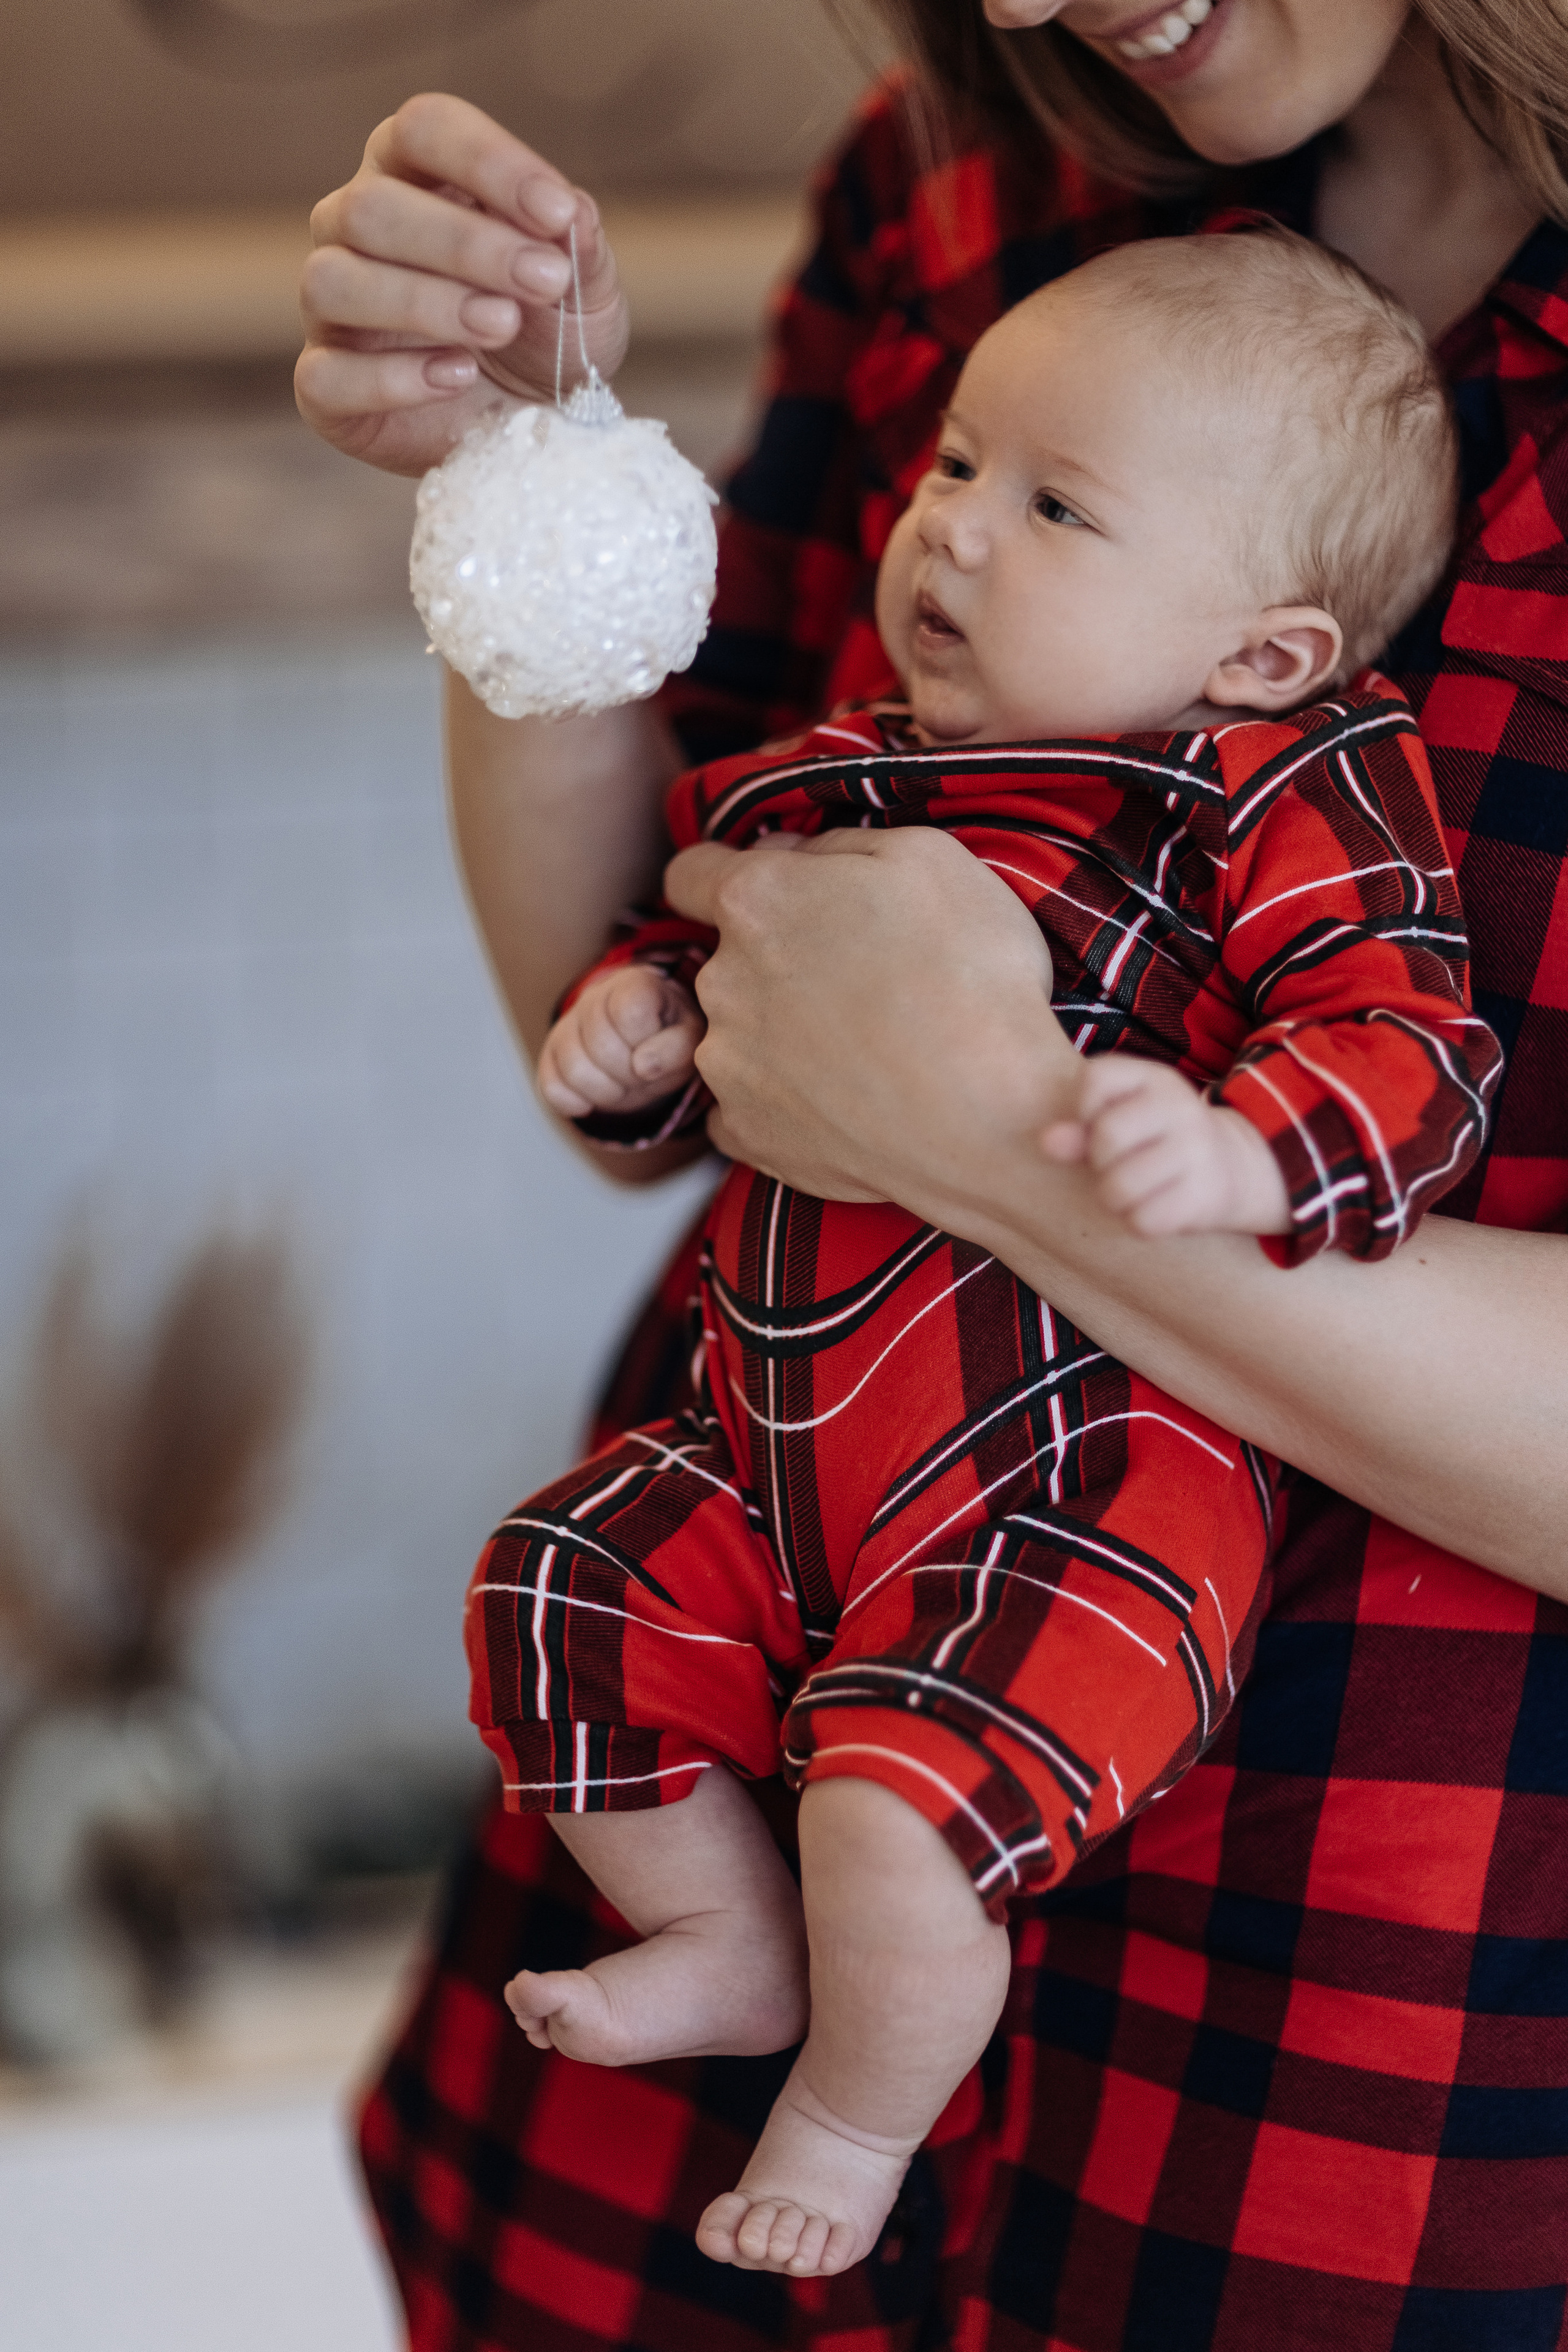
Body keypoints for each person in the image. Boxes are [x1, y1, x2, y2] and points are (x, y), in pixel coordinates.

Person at [297, 3, 1568, 2343]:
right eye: (964, 477)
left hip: (1348, 2107)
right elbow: (667, 1001)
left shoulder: (1298, 829)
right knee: (561, 1592)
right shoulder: (968, 178)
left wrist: (1002, 1145)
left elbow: (1363, 1063)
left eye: (1049, 504)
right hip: (690, 1937)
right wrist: (522, 488)